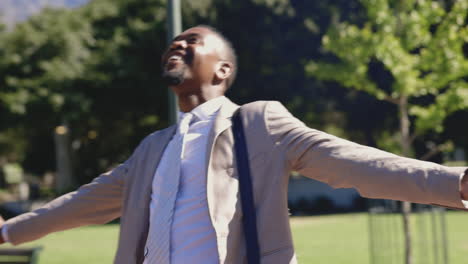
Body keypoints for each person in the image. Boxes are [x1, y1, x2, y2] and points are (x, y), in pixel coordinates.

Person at [0, 25, 467, 264]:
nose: (176, 46)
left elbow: (352, 162)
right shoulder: (151, 149)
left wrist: (457, 182)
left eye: (192, 42)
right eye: (173, 45)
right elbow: (85, 203)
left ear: (222, 71)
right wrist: (7, 232)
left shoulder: (259, 123)